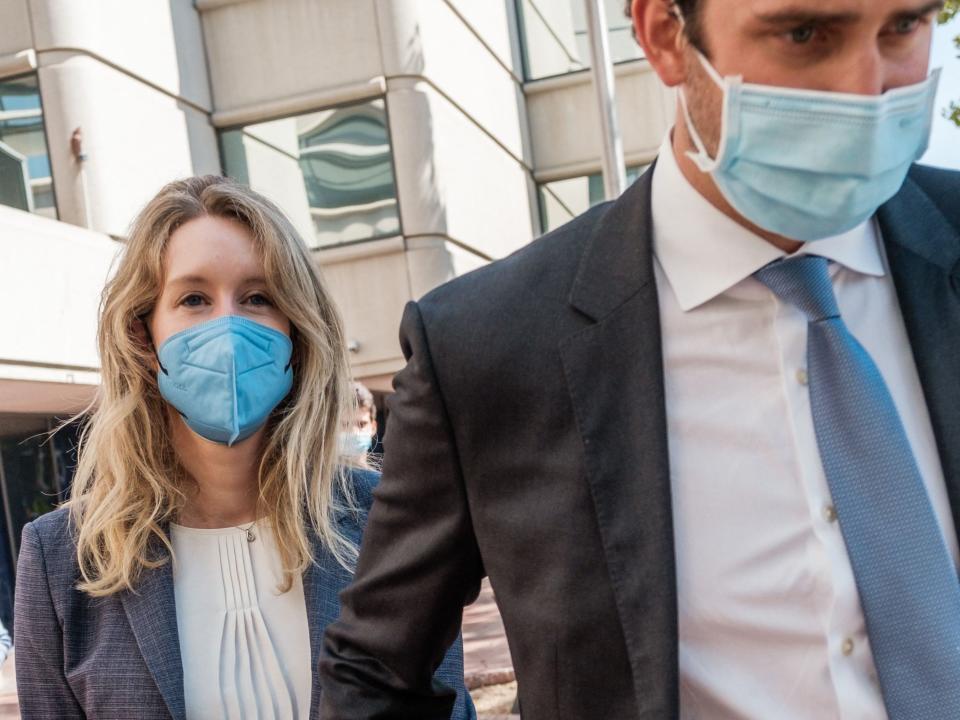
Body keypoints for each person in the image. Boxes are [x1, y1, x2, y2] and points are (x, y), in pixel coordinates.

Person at [319, 0, 960, 718]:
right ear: (665, 36)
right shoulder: (487, 344)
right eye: (804, 34)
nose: (865, 88)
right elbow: (375, 675)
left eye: (903, 25)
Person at [13, 176, 475, 719]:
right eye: (193, 299)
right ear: (143, 336)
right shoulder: (62, 559)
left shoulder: (388, 524)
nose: (227, 326)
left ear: (296, 335)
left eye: (257, 298)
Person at [340, 381, 379, 470]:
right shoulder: (318, 482)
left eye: (362, 424)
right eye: (345, 424)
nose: (354, 432)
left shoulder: (384, 482)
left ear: (373, 428)